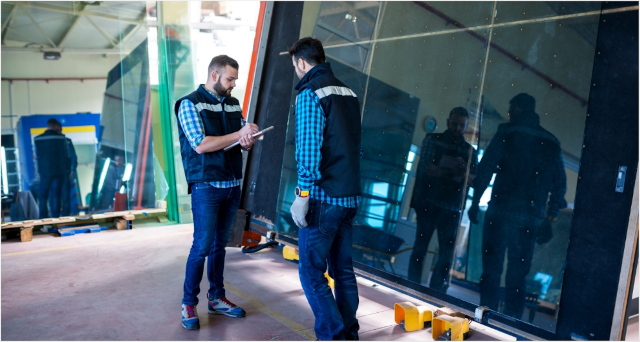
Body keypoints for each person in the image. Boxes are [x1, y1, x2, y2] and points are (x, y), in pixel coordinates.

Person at [174, 55, 259, 330]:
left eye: (235, 79)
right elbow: (200, 145)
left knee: (218, 246)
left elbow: (241, 140)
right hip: (207, 187)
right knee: (201, 247)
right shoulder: (189, 104)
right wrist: (238, 134)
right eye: (230, 78)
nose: (234, 84)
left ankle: (217, 298)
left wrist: (248, 138)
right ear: (214, 75)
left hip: (232, 184)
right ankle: (189, 303)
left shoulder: (233, 104)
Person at [288, 37, 362, 341]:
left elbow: (308, 151)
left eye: (295, 66)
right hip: (349, 197)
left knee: (311, 273)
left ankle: (334, 336)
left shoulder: (310, 93)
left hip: (322, 198)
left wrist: (302, 195)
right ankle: (349, 333)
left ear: (302, 63)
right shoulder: (349, 93)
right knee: (343, 271)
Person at [468, 93, 566, 319]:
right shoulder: (551, 142)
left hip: (500, 212)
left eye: (511, 109)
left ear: (519, 109)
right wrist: (549, 220)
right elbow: (560, 186)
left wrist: (475, 202)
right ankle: (512, 325)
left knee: (491, 272)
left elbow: (486, 169)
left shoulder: (506, 132)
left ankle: (486, 319)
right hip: (530, 219)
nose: (509, 113)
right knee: (517, 277)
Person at [408, 107, 478, 292]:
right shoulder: (433, 139)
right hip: (429, 204)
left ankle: (436, 291)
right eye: (454, 123)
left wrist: (464, 173)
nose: (456, 128)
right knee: (420, 249)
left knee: (445, 255)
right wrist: (450, 172)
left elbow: (475, 181)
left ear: (466, 126)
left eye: (461, 125)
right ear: (448, 122)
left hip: (452, 209)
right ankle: (412, 287)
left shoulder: (470, 151)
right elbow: (425, 168)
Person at [34, 118, 69, 219]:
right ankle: (55, 218)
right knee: (56, 196)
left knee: (43, 197)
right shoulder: (62, 138)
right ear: (56, 126)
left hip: (44, 172)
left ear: (47, 125)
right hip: (58, 172)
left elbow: (36, 157)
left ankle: (42, 218)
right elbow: (65, 156)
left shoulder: (38, 139)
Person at [55, 124, 78, 217]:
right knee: (59, 198)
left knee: (63, 198)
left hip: (62, 174)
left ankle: (64, 217)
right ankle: (58, 218)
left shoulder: (67, 142)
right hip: (59, 174)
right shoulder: (65, 141)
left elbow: (73, 157)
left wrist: (72, 170)